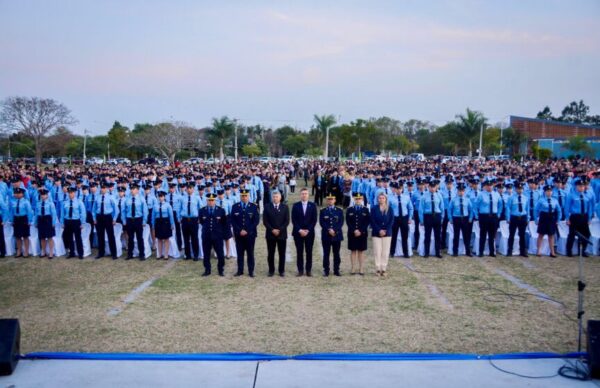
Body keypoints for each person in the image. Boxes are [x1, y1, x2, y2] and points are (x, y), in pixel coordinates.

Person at [231, 189, 260, 277]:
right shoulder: (235, 206)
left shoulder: (254, 207)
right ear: (240, 196)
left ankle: (251, 271)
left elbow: (256, 221)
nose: (244, 197)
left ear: (249, 196)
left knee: (250, 253)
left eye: (246, 195)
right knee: (240, 253)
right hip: (239, 234)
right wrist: (240, 230)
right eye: (242, 196)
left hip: (250, 234)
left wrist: (247, 230)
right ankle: (240, 270)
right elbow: (233, 220)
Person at [199, 193, 227, 276]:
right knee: (206, 254)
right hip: (206, 236)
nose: (211, 202)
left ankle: (220, 270)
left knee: (220, 254)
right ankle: (207, 270)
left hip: (217, 236)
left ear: (215, 200)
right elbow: (201, 221)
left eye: (212, 200)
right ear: (206, 201)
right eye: (209, 200)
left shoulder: (221, 210)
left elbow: (224, 222)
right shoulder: (202, 210)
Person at [291, 187, 317, 276]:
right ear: (300, 195)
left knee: (309, 252)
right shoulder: (295, 205)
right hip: (298, 233)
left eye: (306, 193)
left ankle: (308, 270)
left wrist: (308, 230)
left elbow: (314, 220)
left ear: (308, 195)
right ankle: (300, 270)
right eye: (302, 194)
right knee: (299, 252)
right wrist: (300, 230)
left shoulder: (313, 205)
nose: (304, 195)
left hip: (309, 233)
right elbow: (294, 220)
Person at [263, 190, 289, 277]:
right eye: (274, 197)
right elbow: (265, 221)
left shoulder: (285, 207)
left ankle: (281, 270)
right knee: (271, 254)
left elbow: (287, 221)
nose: (275, 198)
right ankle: (271, 270)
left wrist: (279, 230)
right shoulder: (267, 207)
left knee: (282, 253)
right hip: (270, 234)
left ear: (280, 198)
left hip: (282, 234)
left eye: (277, 197)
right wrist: (272, 230)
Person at [565, 178, 593, 257]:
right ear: (576, 187)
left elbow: (589, 208)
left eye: (583, 186)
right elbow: (567, 207)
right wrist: (567, 218)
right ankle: (569, 251)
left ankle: (582, 251)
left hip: (584, 217)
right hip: (575, 217)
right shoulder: (571, 195)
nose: (581, 187)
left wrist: (589, 218)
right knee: (572, 234)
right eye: (580, 186)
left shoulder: (587, 195)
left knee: (586, 234)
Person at [474, 180, 503, 257]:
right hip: (484, 216)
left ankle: (492, 252)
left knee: (492, 235)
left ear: (493, 186)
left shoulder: (496, 194)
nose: (489, 187)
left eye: (491, 186)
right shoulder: (481, 195)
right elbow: (475, 206)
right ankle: (481, 251)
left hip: (493, 216)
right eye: (488, 186)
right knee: (483, 235)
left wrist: (499, 214)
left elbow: (500, 204)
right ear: (485, 186)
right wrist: (477, 216)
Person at [320, 193, 344, 276]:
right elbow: (322, 223)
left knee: (336, 253)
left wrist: (335, 231)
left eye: (332, 199)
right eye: (329, 199)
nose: (330, 201)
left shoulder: (339, 211)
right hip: (326, 235)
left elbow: (341, 223)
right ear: (327, 200)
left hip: (336, 235)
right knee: (326, 253)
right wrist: (329, 230)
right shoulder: (323, 211)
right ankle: (326, 270)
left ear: (335, 200)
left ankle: (336, 270)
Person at [122, 183, 148, 260]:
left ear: (137, 190)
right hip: (129, 220)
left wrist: (144, 221)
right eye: (131, 189)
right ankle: (130, 254)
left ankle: (142, 254)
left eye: (133, 189)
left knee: (140, 238)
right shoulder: (127, 199)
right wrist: (124, 220)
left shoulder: (141, 199)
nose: (132, 190)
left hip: (138, 220)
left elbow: (145, 211)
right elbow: (123, 210)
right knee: (130, 238)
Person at [93, 182, 119, 260]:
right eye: (101, 188)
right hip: (99, 217)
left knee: (110, 236)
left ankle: (114, 253)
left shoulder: (111, 197)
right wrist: (94, 218)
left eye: (104, 188)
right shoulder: (97, 197)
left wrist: (114, 219)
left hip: (108, 217)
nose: (102, 189)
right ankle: (101, 252)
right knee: (100, 236)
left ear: (107, 189)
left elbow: (116, 210)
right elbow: (94, 209)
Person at [370, 193, 394, 277]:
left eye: (383, 198)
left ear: (386, 199)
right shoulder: (374, 209)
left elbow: (391, 221)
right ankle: (377, 268)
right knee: (377, 251)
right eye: (380, 198)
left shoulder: (390, 209)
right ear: (378, 199)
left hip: (387, 233)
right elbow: (372, 221)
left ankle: (383, 269)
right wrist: (379, 230)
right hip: (376, 233)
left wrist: (385, 230)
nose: (381, 199)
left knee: (385, 251)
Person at [419, 180, 444, 259]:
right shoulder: (424, 196)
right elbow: (421, 209)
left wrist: (442, 218)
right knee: (427, 235)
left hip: (437, 216)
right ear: (428, 187)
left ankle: (438, 252)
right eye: (431, 187)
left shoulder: (439, 195)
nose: (432, 189)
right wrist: (422, 220)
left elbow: (442, 208)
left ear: (436, 187)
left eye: (434, 187)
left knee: (437, 236)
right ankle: (426, 252)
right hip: (428, 216)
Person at [346, 192, 369, 275]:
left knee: (361, 251)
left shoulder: (365, 209)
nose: (358, 200)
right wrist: (354, 231)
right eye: (356, 199)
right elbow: (348, 222)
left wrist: (360, 231)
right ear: (354, 199)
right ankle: (353, 268)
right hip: (352, 233)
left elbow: (367, 222)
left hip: (362, 233)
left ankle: (361, 268)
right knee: (353, 251)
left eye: (359, 199)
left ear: (362, 199)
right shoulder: (350, 209)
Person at [535, 185, 561, 257]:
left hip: (551, 217)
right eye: (547, 191)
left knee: (551, 235)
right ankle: (538, 251)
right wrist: (536, 219)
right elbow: (536, 210)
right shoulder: (541, 200)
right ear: (545, 192)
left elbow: (559, 210)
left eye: (550, 191)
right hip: (543, 217)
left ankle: (552, 252)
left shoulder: (555, 200)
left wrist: (558, 220)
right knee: (541, 234)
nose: (549, 193)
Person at [60, 186, 86, 259]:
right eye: (69, 193)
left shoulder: (79, 202)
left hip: (76, 221)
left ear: (74, 193)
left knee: (78, 238)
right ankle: (72, 253)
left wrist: (82, 222)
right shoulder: (65, 202)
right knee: (69, 238)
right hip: (67, 221)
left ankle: (80, 253)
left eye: (71, 193)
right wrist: (62, 223)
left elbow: (83, 213)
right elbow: (62, 213)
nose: (70, 194)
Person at [448, 183, 473, 257]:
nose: (461, 192)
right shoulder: (453, 200)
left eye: (462, 191)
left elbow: (471, 210)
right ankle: (455, 252)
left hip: (465, 218)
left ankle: (468, 251)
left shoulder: (467, 200)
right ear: (457, 191)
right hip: (456, 218)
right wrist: (450, 218)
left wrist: (470, 218)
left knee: (466, 236)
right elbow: (449, 210)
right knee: (456, 236)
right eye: (459, 191)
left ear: (464, 191)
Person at [390, 181, 413, 258]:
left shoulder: (406, 197)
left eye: (400, 188)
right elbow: (389, 210)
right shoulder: (391, 198)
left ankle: (405, 252)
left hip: (404, 218)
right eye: (397, 189)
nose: (399, 190)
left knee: (405, 236)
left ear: (402, 189)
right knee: (394, 236)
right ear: (395, 189)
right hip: (395, 218)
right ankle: (392, 252)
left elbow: (410, 208)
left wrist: (409, 218)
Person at [505, 182, 529, 257]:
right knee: (511, 235)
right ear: (515, 189)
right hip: (514, 217)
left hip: (523, 217)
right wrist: (508, 218)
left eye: (521, 189)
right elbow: (508, 208)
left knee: (522, 235)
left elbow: (527, 209)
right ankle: (510, 250)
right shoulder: (511, 198)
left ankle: (523, 251)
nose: (520, 190)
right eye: (519, 189)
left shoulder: (525, 198)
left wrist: (528, 218)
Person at [179, 182, 201, 261]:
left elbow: (200, 209)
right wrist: (179, 218)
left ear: (193, 189)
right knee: (186, 238)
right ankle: (187, 254)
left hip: (194, 220)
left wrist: (200, 218)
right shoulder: (182, 198)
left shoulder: (197, 198)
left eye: (190, 188)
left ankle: (196, 255)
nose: (189, 190)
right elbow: (179, 208)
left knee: (195, 238)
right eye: (187, 188)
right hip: (185, 219)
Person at [9, 187, 33, 258]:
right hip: (16, 219)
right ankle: (19, 251)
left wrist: (29, 221)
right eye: (16, 193)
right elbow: (11, 212)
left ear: (22, 194)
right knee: (17, 236)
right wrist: (11, 220)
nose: (17, 195)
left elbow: (29, 212)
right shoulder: (13, 201)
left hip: (24, 219)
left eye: (19, 193)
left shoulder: (26, 202)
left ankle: (26, 251)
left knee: (25, 236)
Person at [35, 188, 57, 259]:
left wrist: (53, 223)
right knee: (42, 237)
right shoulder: (38, 203)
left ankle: (51, 252)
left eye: (44, 194)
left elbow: (54, 214)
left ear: (47, 195)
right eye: (41, 195)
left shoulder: (51, 203)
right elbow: (36, 213)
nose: (42, 196)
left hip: (48, 220)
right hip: (40, 219)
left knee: (50, 237)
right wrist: (36, 222)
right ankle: (43, 251)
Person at [152, 191, 175, 260]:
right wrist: (153, 224)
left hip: (166, 222)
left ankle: (166, 254)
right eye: (159, 196)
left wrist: (172, 224)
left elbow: (171, 215)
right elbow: (153, 216)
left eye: (162, 196)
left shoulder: (168, 205)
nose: (160, 198)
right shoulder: (155, 205)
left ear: (164, 197)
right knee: (159, 239)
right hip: (158, 223)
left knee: (166, 239)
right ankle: (159, 254)